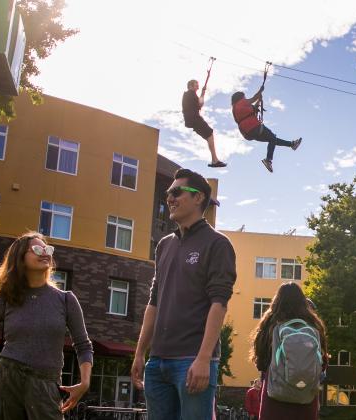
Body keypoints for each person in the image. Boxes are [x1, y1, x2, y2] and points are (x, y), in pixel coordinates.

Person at [131, 168, 236, 420]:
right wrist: (139, 353)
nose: (170, 198)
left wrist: (203, 358)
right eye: (168, 192)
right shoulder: (164, 245)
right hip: (157, 364)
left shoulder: (218, 244)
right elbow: (154, 301)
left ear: (198, 197)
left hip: (192, 361)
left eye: (177, 192)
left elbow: (219, 303)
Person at [0, 232, 94, 419]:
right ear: (20, 258)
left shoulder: (66, 300)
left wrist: (85, 382)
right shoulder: (5, 299)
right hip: (8, 380)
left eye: (48, 249)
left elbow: (83, 345)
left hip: (46, 383)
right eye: (37, 249)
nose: (45, 253)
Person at [251, 282, 325, 418]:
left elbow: (260, 362)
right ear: (302, 301)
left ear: (277, 299)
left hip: (275, 394)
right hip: (306, 395)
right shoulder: (313, 324)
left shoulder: (270, 322)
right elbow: (323, 361)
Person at [231, 81, 301, 173]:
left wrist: (259, 100)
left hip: (247, 133)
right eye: (244, 97)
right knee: (272, 138)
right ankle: (269, 159)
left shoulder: (236, 108)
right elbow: (253, 98)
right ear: (240, 97)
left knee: (272, 139)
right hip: (253, 127)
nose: (245, 98)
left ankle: (292, 144)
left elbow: (253, 108)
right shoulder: (242, 102)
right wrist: (260, 91)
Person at [182, 79, 225, 168]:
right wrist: (203, 92)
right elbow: (201, 103)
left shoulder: (189, 95)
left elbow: (199, 104)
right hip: (195, 119)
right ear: (190, 86)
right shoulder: (190, 94)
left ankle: (214, 160)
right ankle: (214, 160)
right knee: (209, 133)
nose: (198, 86)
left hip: (192, 120)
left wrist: (202, 92)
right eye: (196, 84)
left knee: (209, 136)